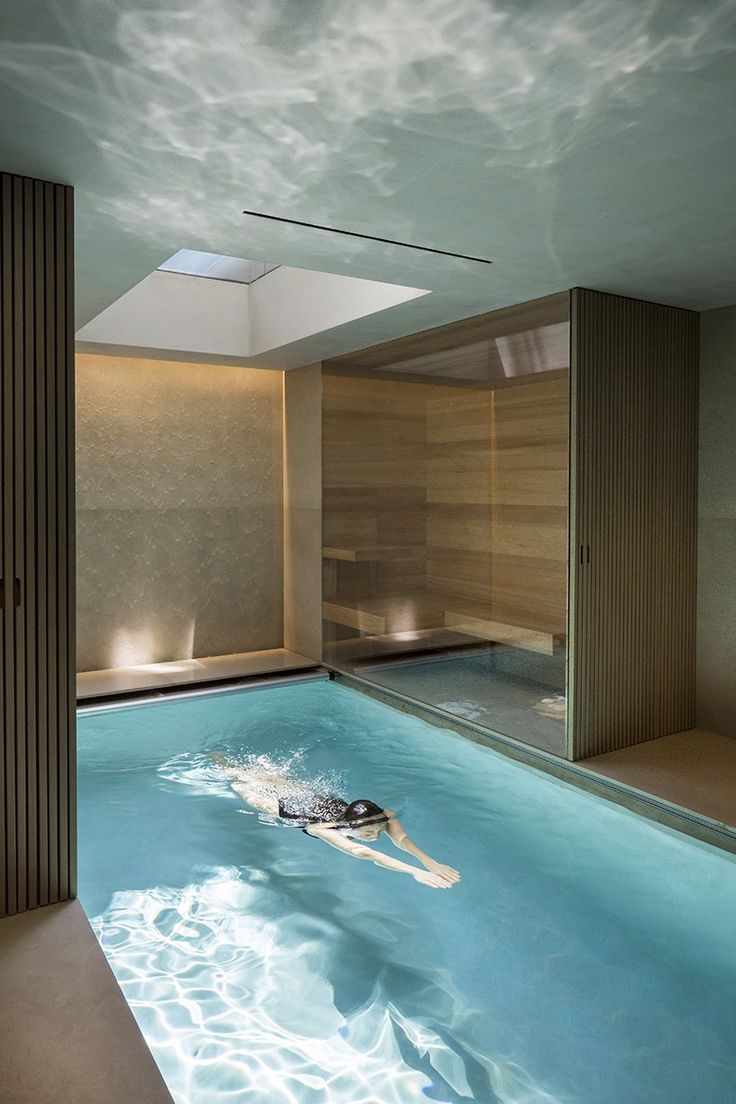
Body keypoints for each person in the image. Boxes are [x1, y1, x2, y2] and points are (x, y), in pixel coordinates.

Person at [220, 760, 461, 890]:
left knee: (281, 781)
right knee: (241, 785)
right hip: (288, 810)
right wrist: (415, 871)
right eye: (368, 832)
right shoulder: (323, 829)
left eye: (378, 830)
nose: (376, 835)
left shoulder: (379, 817)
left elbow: (401, 839)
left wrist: (428, 861)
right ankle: (222, 766)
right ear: (351, 827)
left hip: (315, 797)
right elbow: (363, 852)